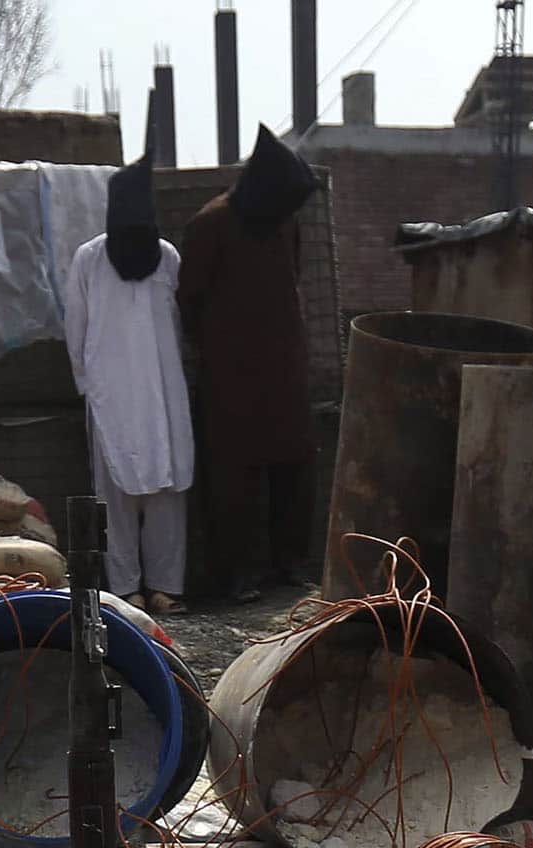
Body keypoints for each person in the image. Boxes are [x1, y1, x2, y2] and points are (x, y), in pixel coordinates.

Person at [179, 127, 318, 603]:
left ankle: (290, 563)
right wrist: (218, 349)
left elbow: (291, 277)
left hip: (284, 364)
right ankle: (233, 575)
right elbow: (190, 300)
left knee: (294, 468)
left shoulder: (283, 222)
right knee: (231, 479)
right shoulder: (210, 224)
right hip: (231, 372)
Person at [63, 158, 192, 616]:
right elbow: (75, 327)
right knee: (115, 496)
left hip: (163, 390)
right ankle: (126, 588)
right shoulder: (89, 258)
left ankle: (165, 586)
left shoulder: (168, 256)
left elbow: (176, 326)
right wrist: (88, 386)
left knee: (167, 492)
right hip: (110, 393)